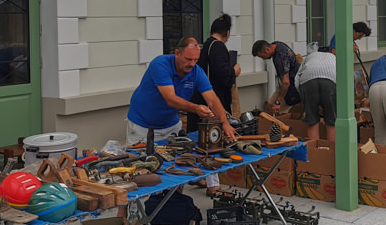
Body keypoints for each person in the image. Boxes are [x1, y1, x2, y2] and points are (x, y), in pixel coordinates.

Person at [127, 37, 236, 196]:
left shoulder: (196, 71)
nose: (192, 64)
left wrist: (225, 123)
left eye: (196, 60)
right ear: (177, 53)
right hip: (142, 126)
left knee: (175, 172)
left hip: (171, 125)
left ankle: (173, 206)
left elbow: (212, 99)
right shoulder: (160, 64)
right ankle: (132, 214)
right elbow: (170, 99)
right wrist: (195, 108)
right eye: (188, 59)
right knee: (137, 173)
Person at [190, 14, 241, 134]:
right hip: (213, 97)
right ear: (227, 33)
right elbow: (221, 73)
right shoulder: (218, 47)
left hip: (200, 96)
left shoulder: (206, 45)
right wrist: (234, 71)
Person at [295, 50, 337, 141]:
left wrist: (303, 98)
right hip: (330, 81)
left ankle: (314, 151)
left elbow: (297, 78)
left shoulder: (309, 57)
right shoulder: (334, 58)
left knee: (312, 120)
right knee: (331, 120)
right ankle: (332, 150)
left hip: (307, 80)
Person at [252, 40, 301, 114]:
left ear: (267, 50)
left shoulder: (281, 57)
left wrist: (278, 102)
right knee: (270, 106)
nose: (263, 59)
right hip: (284, 83)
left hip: (292, 85)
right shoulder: (277, 44)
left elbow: (286, 83)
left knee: (278, 112)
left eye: (263, 56)